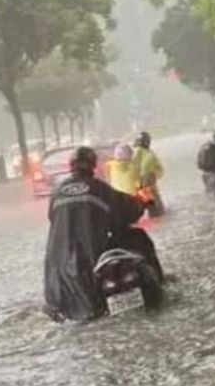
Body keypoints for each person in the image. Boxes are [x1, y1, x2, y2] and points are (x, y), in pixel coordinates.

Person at [44, 147, 164, 322]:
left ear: (71, 166)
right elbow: (128, 212)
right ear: (93, 166)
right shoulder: (97, 188)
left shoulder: (56, 193)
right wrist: (143, 198)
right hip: (91, 259)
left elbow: (54, 219)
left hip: (57, 271)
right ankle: (160, 283)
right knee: (136, 235)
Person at [132, 131, 165, 216]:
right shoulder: (146, 152)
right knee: (155, 205)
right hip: (147, 178)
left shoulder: (138, 151)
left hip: (142, 180)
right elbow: (158, 168)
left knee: (151, 203)